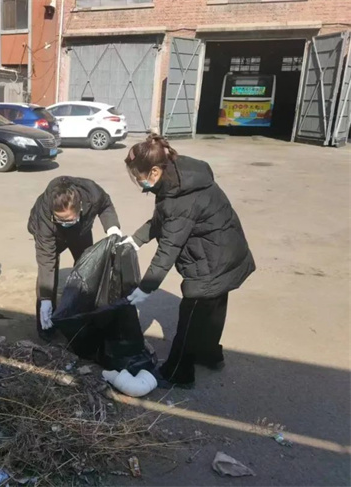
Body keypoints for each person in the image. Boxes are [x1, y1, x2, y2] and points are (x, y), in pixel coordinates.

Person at [122, 134, 255, 387]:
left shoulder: (180, 199)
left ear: (154, 171)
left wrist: (146, 287)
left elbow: (168, 248)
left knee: (192, 317)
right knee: (214, 310)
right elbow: (165, 219)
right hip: (227, 252)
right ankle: (210, 355)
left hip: (211, 262)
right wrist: (137, 239)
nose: (138, 182)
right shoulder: (177, 174)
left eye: (138, 176)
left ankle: (178, 373)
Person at [27, 176, 123, 340]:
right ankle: (46, 325)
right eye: (60, 219)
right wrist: (45, 299)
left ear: (81, 208)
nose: (65, 223)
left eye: (69, 219)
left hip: (80, 231)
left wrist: (112, 228)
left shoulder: (92, 194)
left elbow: (106, 205)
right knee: (49, 272)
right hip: (52, 234)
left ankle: (83, 315)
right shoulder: (45, 218)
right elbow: (46, 261)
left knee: (88, 267)